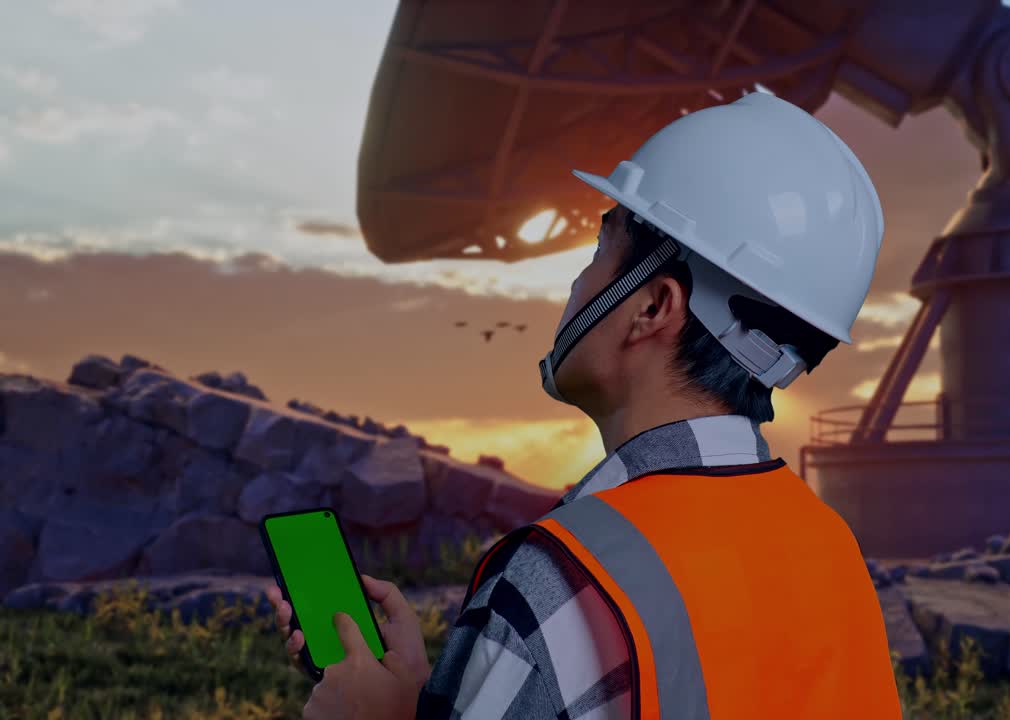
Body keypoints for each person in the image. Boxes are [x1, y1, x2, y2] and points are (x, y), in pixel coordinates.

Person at [267, 90, 900, 719]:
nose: (577, 283)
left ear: (652, 307)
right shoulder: (831, 550)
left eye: (600, 251)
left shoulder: (559, 582)